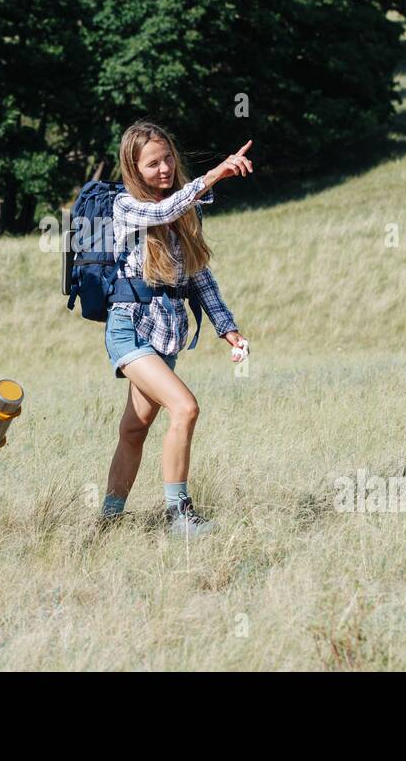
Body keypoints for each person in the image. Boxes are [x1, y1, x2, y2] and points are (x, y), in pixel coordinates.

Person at [99, 120, 253, 536]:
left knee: (134, 430)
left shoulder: (187, 209)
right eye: (152, 164)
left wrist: (227, 328)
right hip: (129, 329)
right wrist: (215, 174)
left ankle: (109, 521)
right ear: (134, 169)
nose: (164, 168)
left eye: (168, 158)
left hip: (165, 335)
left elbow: (199, 276)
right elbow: (163, 210)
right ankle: (178, 516)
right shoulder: (127, 205)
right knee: (185, 408)